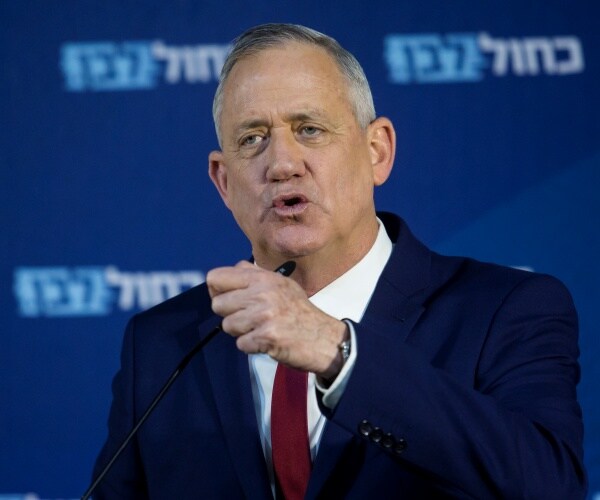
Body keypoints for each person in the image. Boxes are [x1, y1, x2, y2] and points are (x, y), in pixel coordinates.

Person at [92, 23, 587, 498]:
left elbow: (548, 485)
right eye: (252, 139)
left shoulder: (503, 311)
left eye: (309, 129)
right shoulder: (163, 343)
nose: (282, 164)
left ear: (377, 151)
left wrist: (338, 352)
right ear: (223, 181)